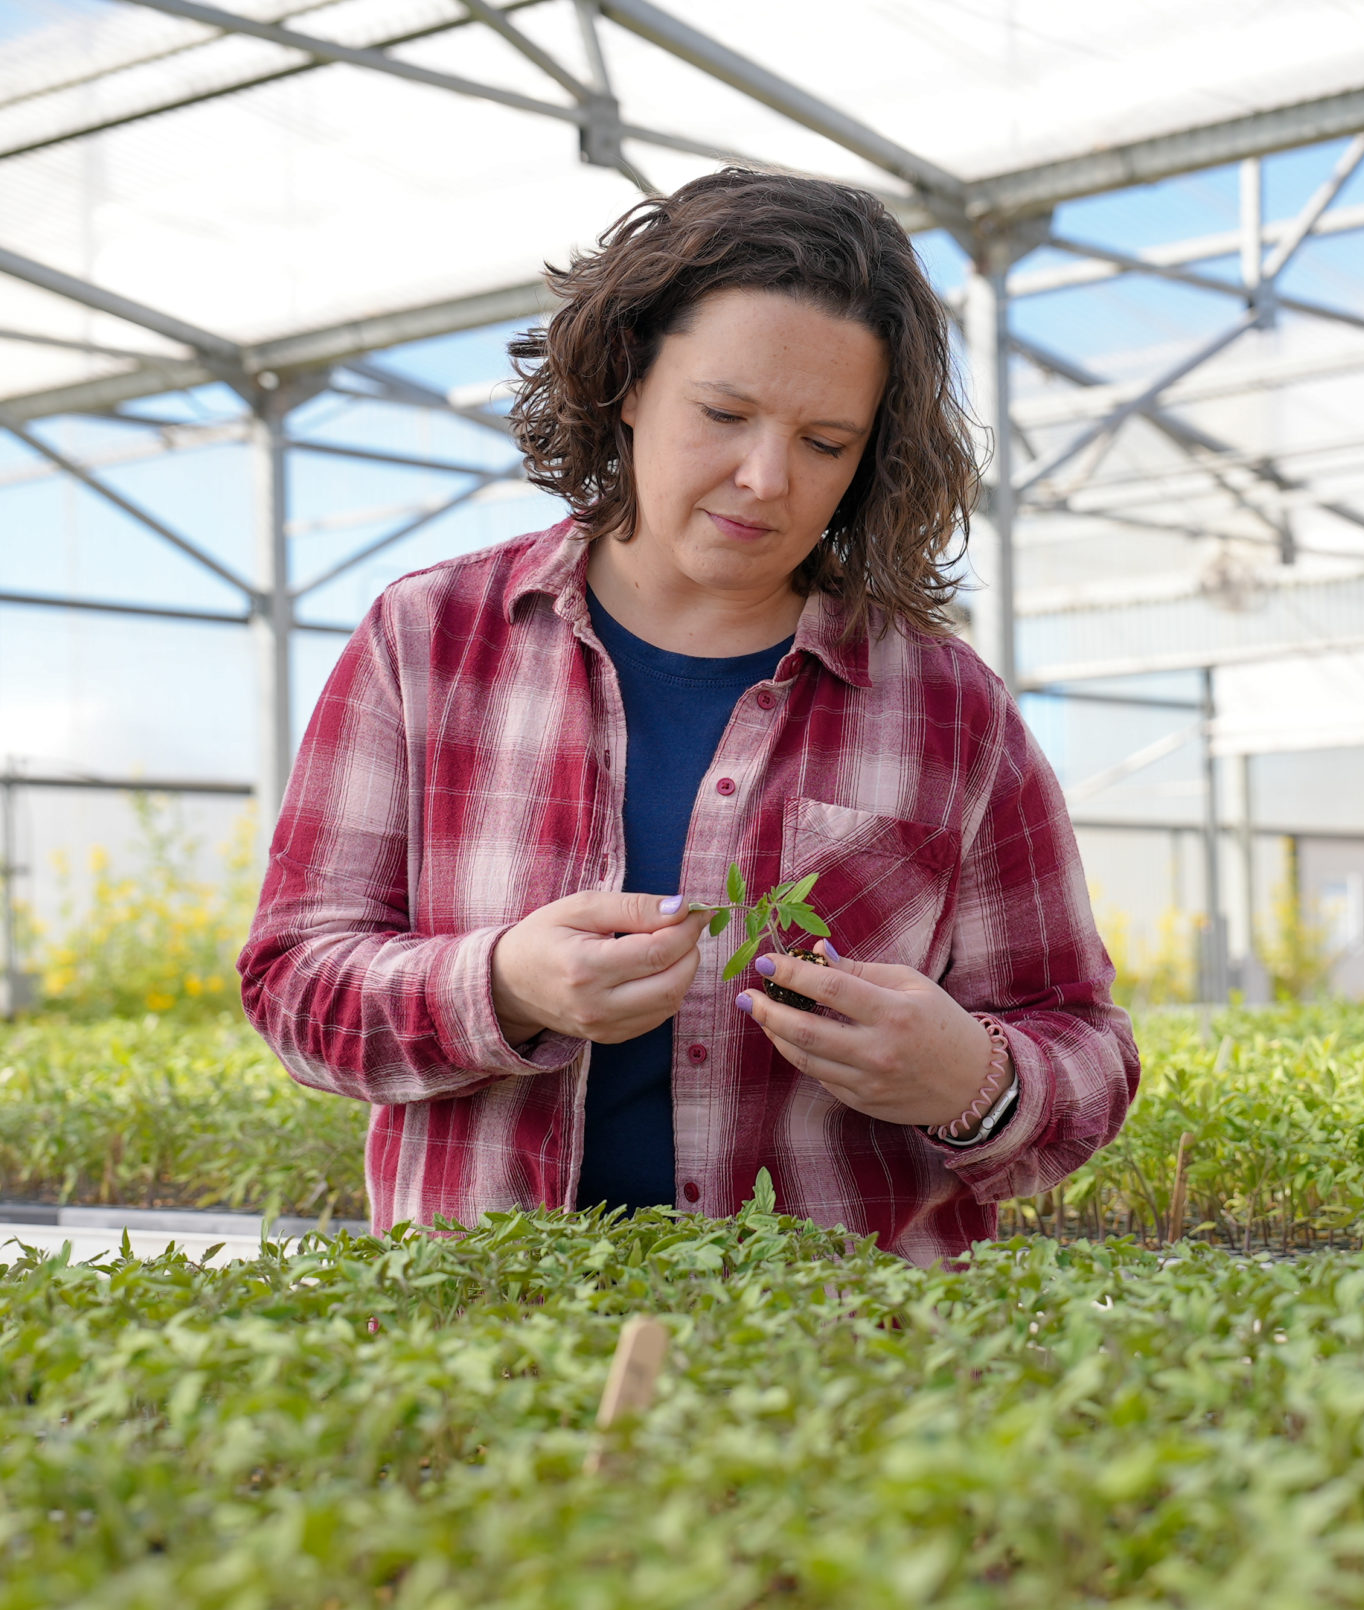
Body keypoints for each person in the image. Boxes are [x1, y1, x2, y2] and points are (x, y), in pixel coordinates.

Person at [238, 169, 1138, 1266]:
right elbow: (293, 984)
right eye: (722, 414)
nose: (765, 478)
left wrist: (973, 1079)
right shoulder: (426, 642)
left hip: (845, 1364)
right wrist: (504, 985)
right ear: (626, 382)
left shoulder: (947, 706)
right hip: (485, 1346)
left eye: (824, 442)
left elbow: (1082, 1043)